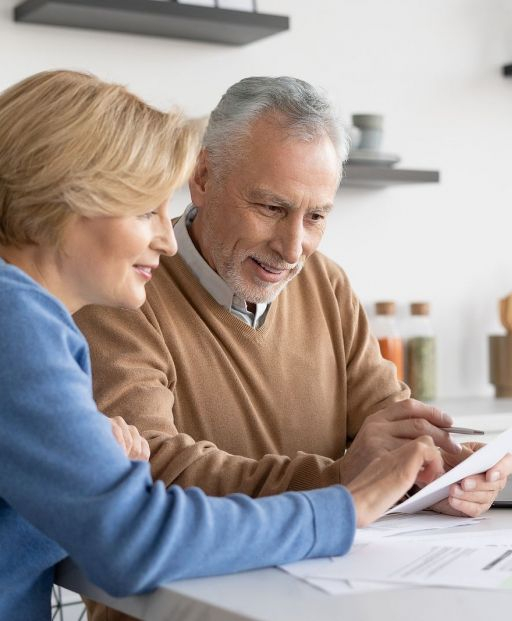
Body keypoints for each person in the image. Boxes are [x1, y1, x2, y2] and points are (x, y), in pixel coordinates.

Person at [0, 70, 447, 621]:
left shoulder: (28, 316)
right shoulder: (19, 319)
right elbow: (133, 536)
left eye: (316, 216)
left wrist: (435, 468)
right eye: (144, 209)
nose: (164, 238)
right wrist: (344, 506)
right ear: (64, 202)